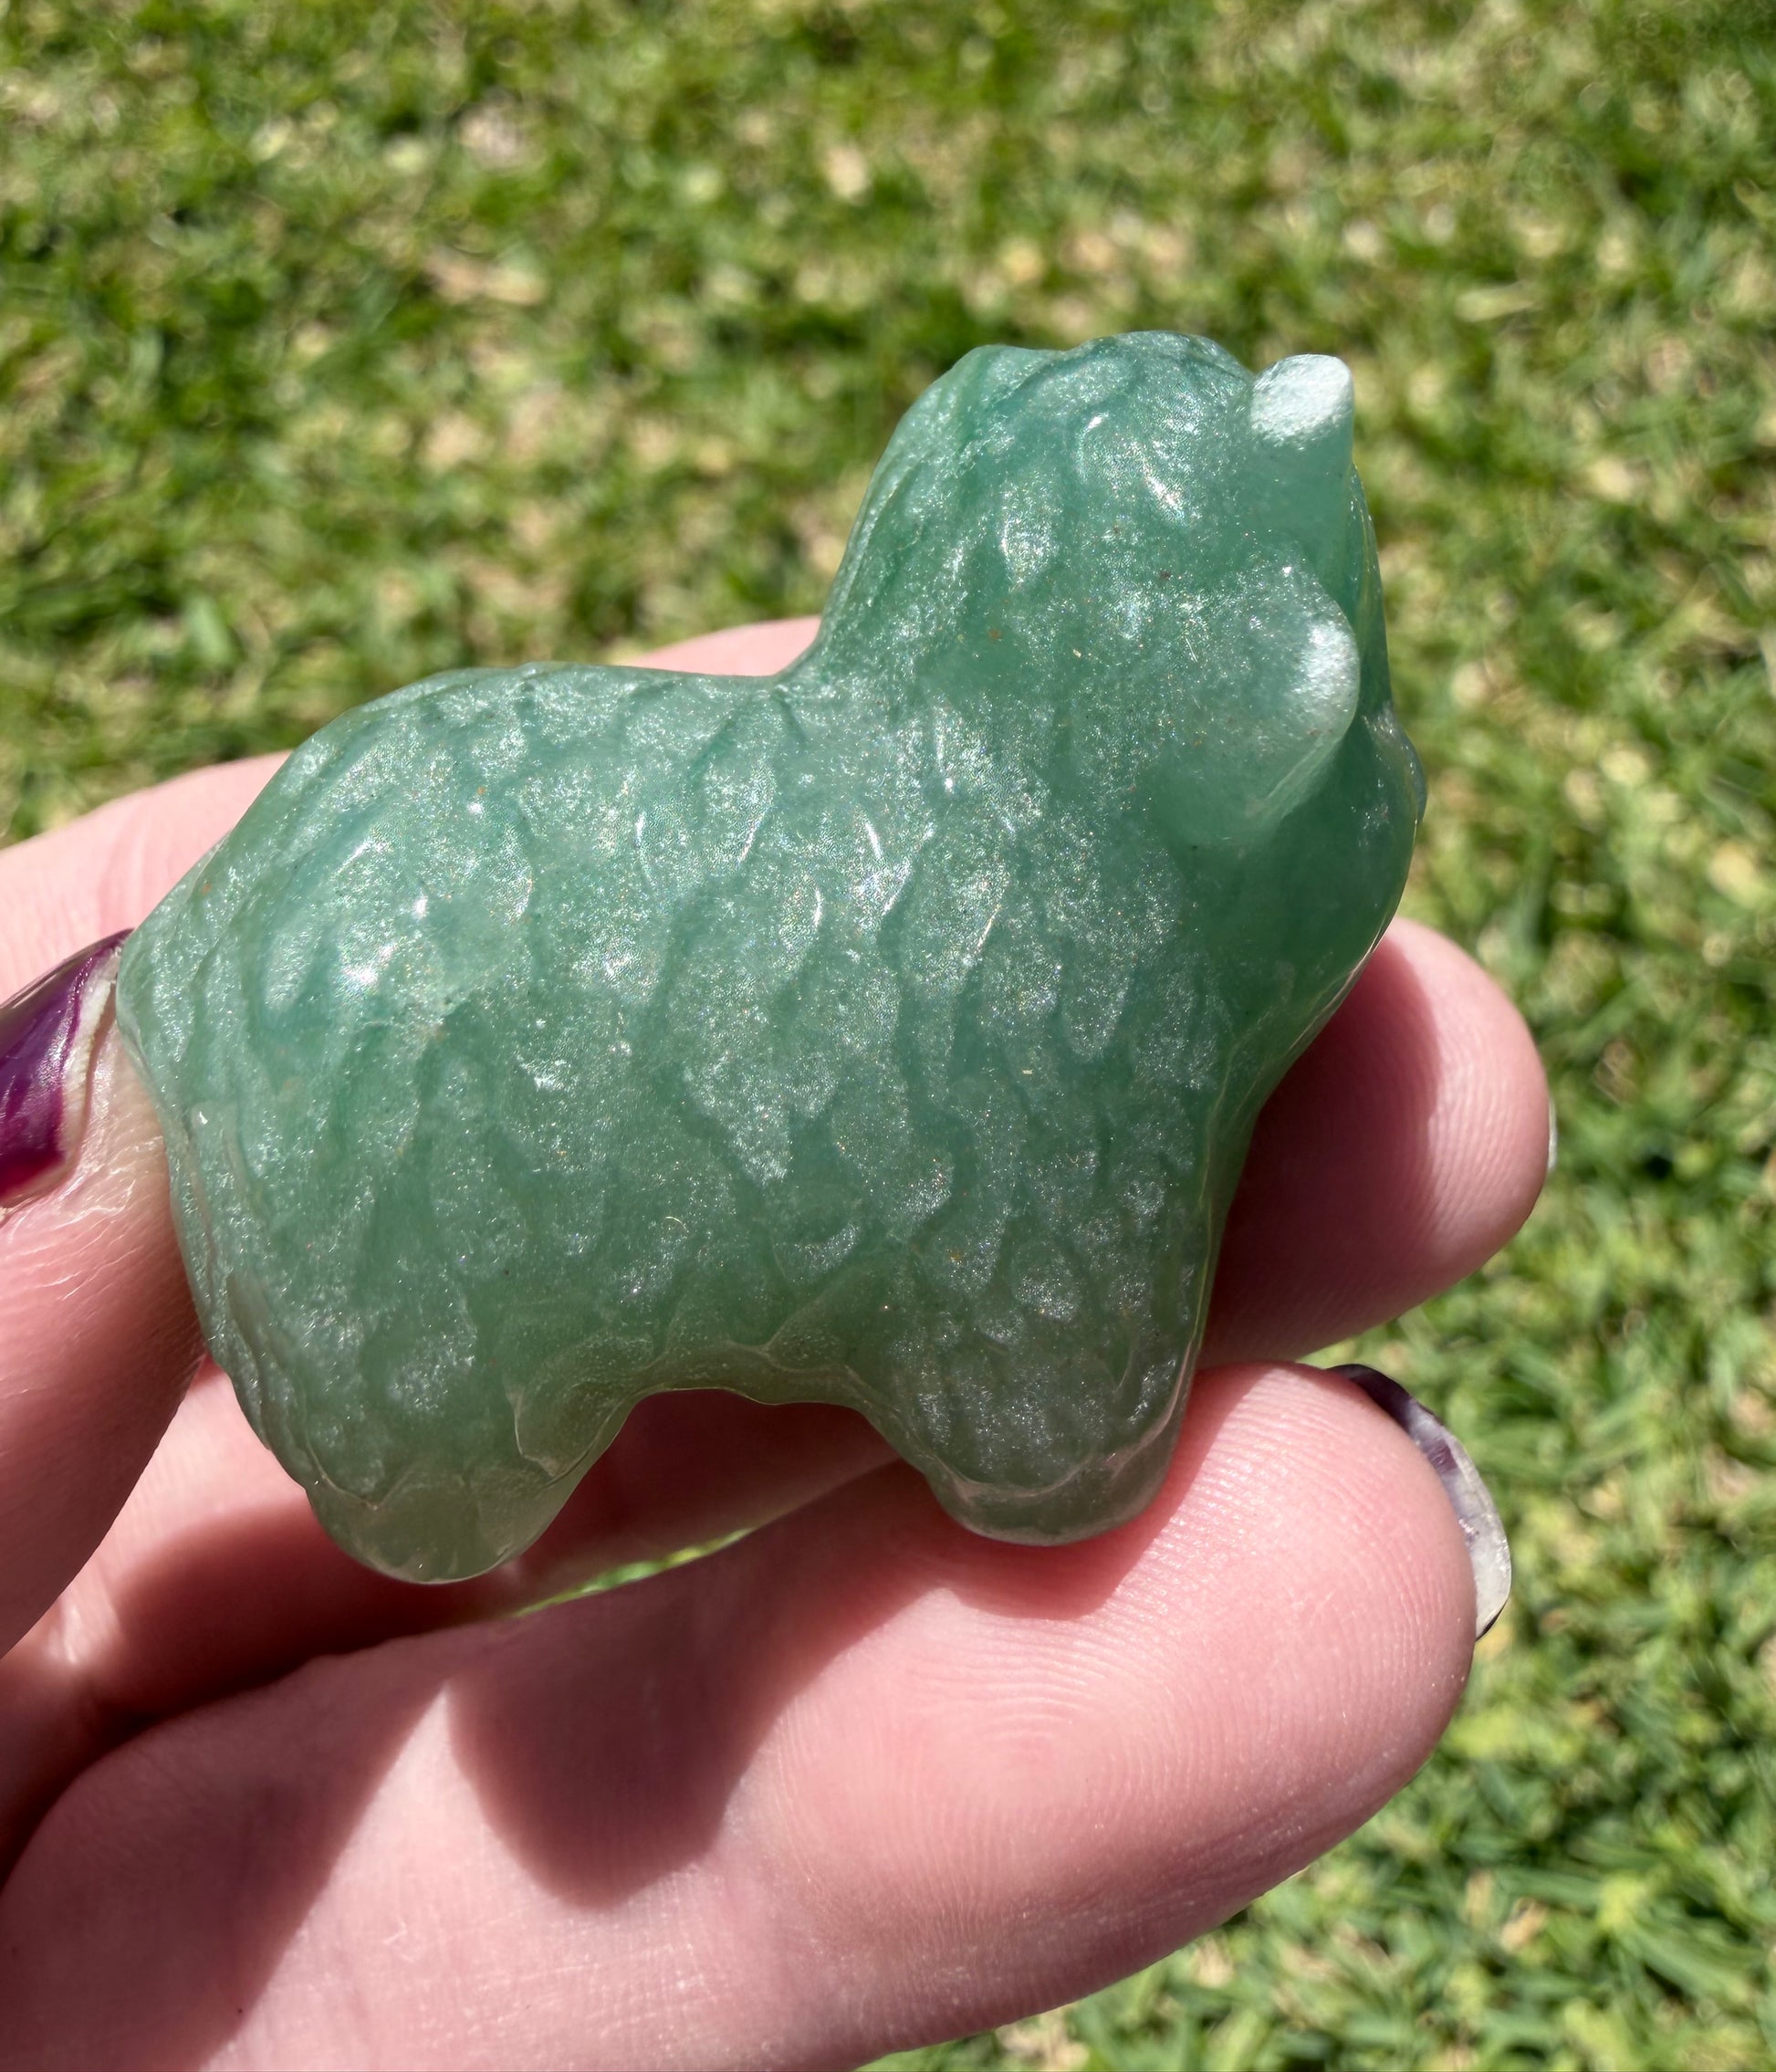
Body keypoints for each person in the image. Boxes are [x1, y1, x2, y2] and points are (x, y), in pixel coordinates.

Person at [0, 619, 1549, 2070]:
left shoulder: (1062, 931)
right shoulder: (1054, 987)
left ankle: (436, 1429)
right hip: (403, 1068)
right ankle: (436, 1423)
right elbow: (1053, 1415)